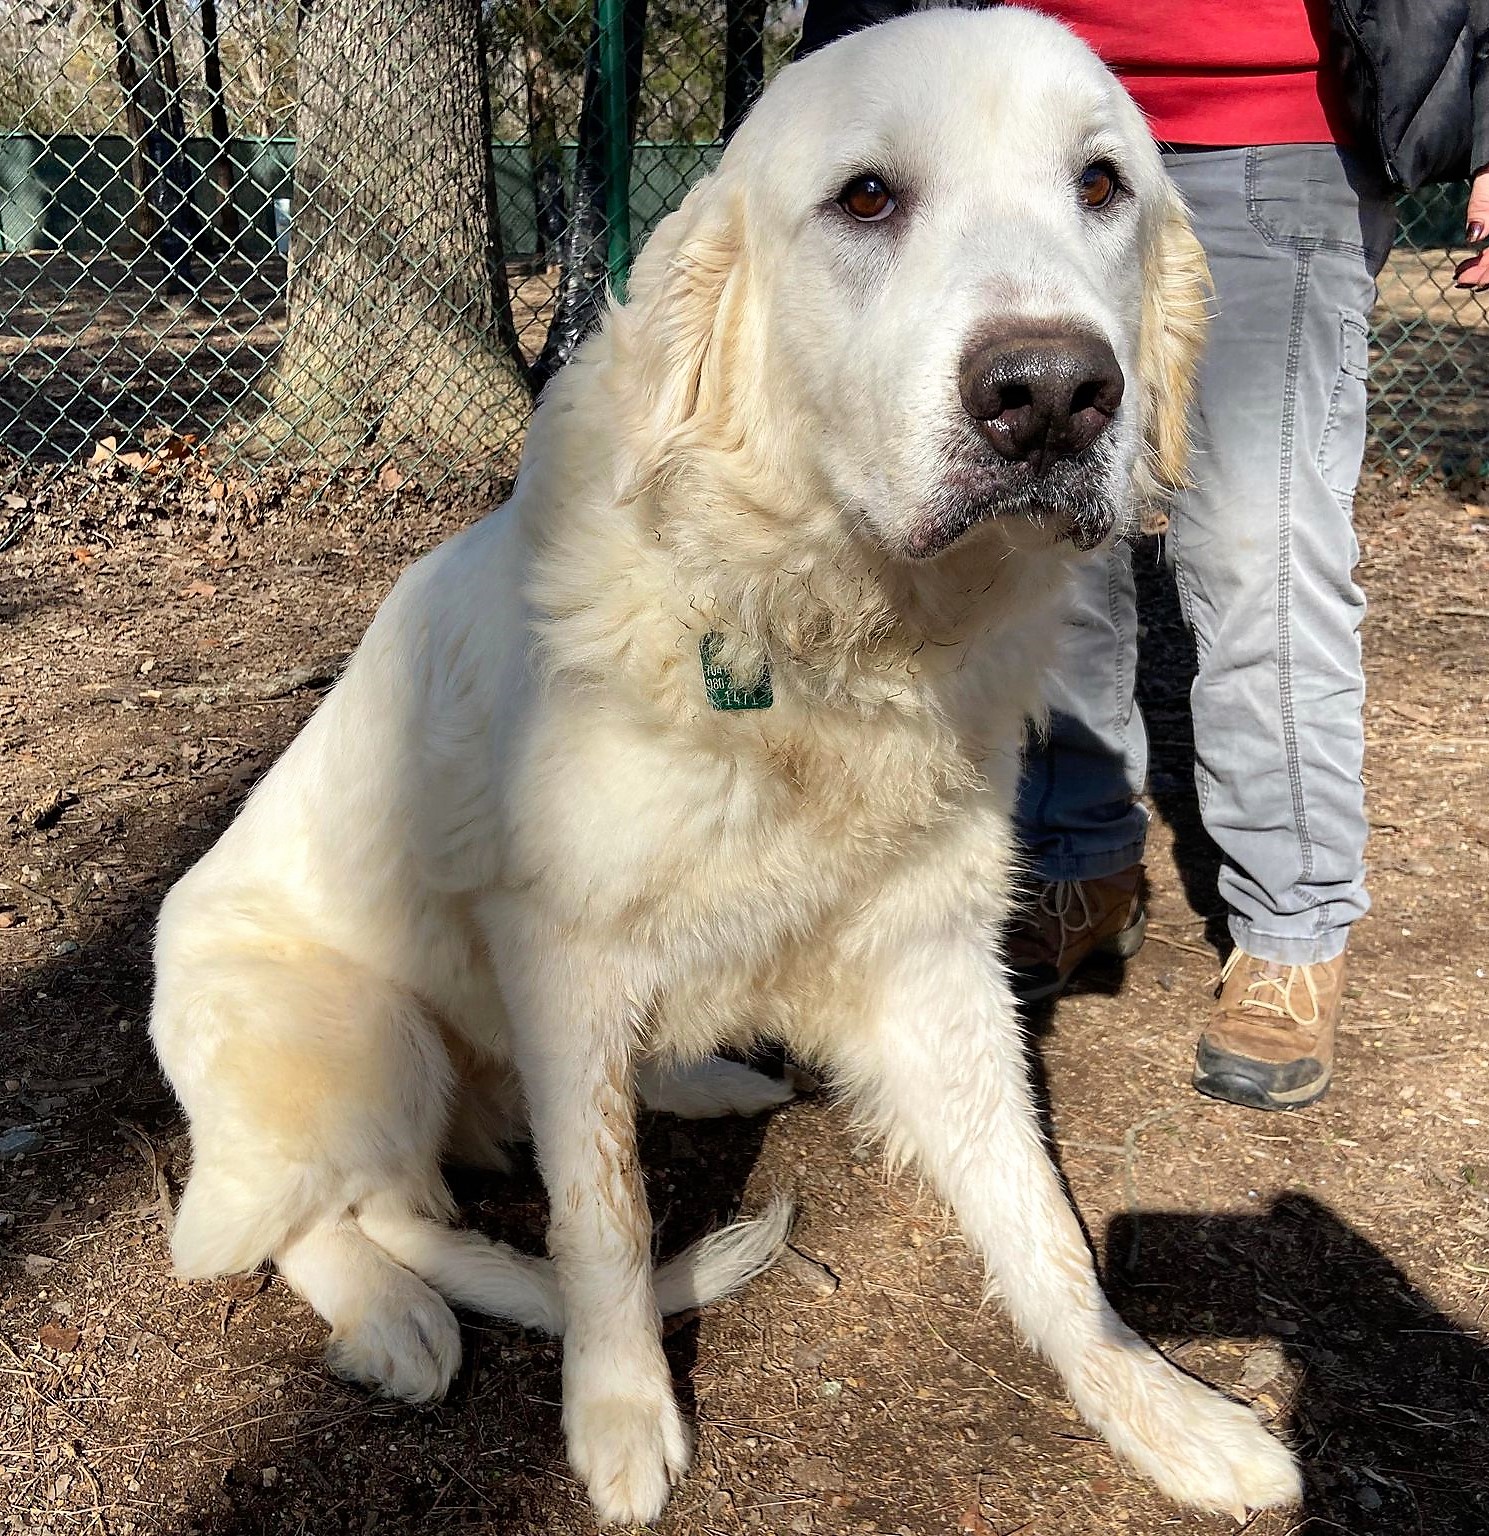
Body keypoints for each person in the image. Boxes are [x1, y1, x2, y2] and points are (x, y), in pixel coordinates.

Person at [797, 0, 1489, 1110]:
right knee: (1040, 546)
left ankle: (1291, 923)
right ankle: (1080, 862)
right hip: (996, 130)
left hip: (1269, 126)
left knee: (1259, 554)